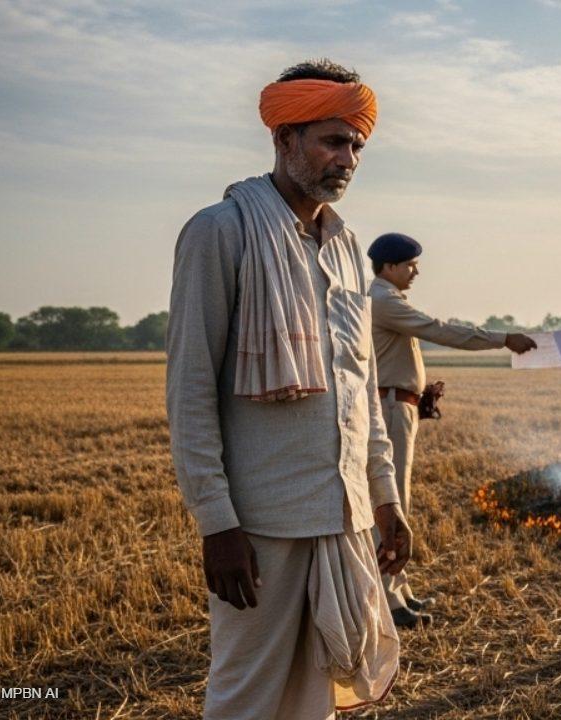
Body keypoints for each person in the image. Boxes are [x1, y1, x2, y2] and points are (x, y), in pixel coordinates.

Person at [166, 59, 409, 719]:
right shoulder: (219, 232)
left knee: (316, 696)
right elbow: (190, 391)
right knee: (246, 696)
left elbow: (360, 388)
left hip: (344, 512)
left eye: (357, 143)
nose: (348, 157)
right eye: (333, 140)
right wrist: (217, 524)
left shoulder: (345, 245)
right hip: (261, 523)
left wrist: (384, 497)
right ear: (285, 140)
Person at [365, 232, 537, 627]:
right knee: (391, 502)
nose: (416, 271)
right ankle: (388, 601)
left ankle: (398, 590)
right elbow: (441, 330)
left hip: (399, 405)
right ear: (390, 267)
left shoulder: (387, 300)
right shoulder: (384, 301)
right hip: (390, 409)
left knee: (398, 499)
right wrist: (502, 339)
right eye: (410, 265)